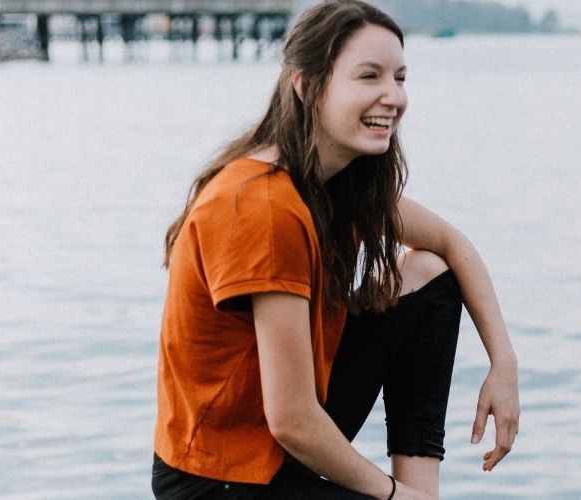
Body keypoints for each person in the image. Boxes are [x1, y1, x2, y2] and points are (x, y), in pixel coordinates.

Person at [152, 1, 519, 498]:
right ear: (306, 86)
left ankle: (423, 489)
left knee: (431, 273)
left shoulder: (337, 182)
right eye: (369, 77)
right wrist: (391, 495)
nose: (393, 96)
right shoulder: (263, 205)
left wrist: (504, 366)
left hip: (283, 433)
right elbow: (293, 421)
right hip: (221, 476)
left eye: (400, 77)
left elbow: (454, 245)